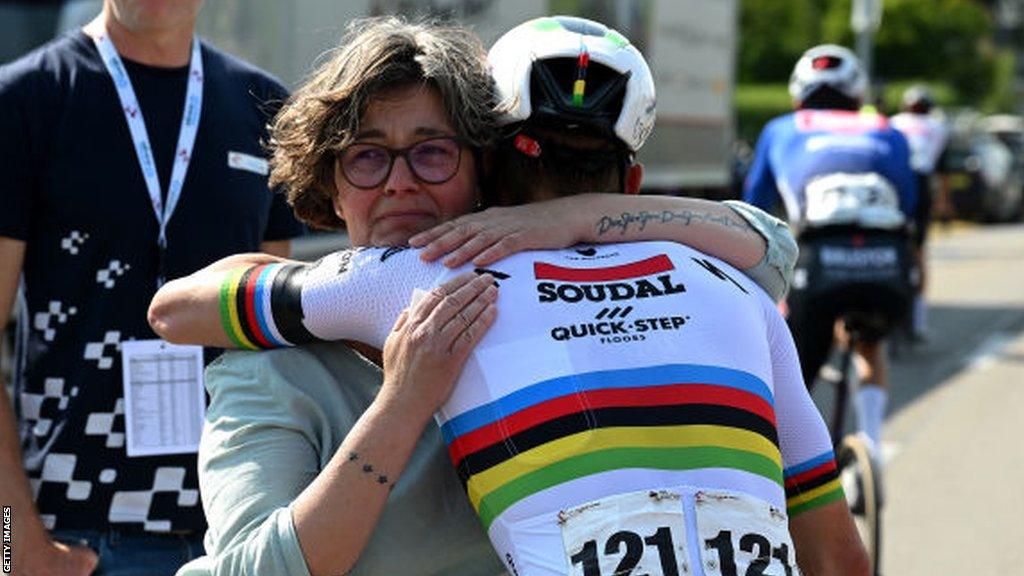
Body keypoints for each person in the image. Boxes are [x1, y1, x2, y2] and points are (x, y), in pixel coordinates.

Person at [153, 16, 865, 576]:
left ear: (484, 172)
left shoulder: (426, 278)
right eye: (367, 156)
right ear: (329, 183)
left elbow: (175, 310)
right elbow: (772, 247)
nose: (401, 182)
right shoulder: (731, 286)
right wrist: (403, 404)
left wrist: (558, 221)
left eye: (432, 151)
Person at [0, 0, 305, 573]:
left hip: (237, 526)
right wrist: (10, 547)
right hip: (78, 537)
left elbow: (275, 344)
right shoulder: (25, 100)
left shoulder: (264, 109)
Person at [743, 44, 919, 452]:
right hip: (886, 262)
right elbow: (909, 203)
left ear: (798, 91)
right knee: (870, 343)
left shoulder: (781, 129)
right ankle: (872, 445)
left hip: (819, 263)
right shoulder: (887, 131)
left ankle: (796, 464)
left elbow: (751, 209)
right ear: (857, 92)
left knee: (791, 371)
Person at [891, 85, 950, 342]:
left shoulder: (893, 123)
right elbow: (942, 169)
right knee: (919, 252)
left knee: (890, 243)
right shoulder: (938, 127)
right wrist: (943, 202)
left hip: (895, 184)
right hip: (922, 184)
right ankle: (919, 319)